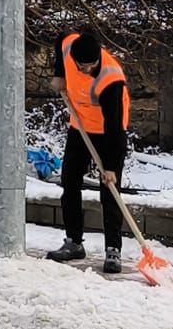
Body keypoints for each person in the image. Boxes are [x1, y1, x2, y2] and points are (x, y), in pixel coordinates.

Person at [46, 29, 129, 274]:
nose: (86, 71)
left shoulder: (111, 79)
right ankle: (73, 242)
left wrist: (111, 167)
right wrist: (60, 74)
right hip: (79, 127)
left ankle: (113, 249)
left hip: (108, 133)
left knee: (109, 191)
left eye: (91, 66)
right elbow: (60, 39)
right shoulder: (69, 46)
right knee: (70, 182)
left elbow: (115, 127)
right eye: (82, 66)